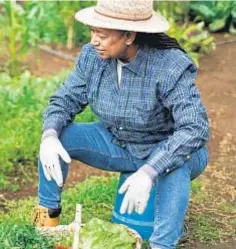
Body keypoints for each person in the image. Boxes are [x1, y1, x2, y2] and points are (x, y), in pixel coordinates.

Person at [32, 1, 209, 248]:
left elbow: (195, 128)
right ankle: (44, 224)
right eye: (93, 32)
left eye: (102, 35)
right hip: (120, 144)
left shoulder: (169, 66)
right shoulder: (92, 57)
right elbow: (65, 99)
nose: (94, 40)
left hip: (165, 148)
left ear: (129, 35)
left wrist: (149, 171)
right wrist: (49, 135)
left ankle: (162, 244)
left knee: (174, 164)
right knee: (59, 137)